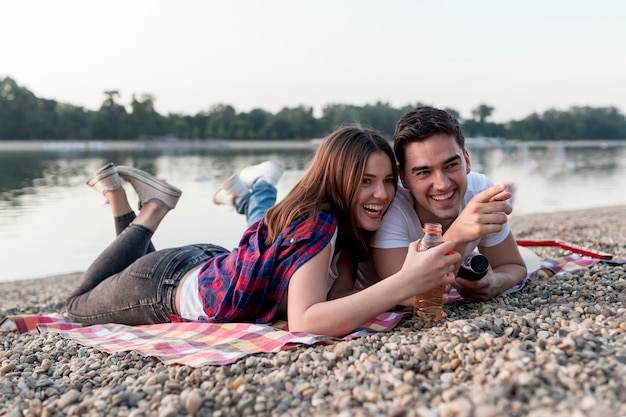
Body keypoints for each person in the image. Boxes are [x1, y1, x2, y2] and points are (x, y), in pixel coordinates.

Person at [65, 125, 461, 338]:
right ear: (337, 179)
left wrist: (411, 290)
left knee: (123, 272)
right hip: (165, 287)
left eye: (388, 180)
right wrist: (403, 282)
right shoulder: (317, 222)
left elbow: (338, 300)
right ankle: (152, 210)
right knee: (77, 306)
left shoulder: (344, 226)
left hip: (203, 264)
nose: (381, 194)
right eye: (364, 181)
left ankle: (119, 197)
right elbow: (306, 321)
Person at [370, 107, 527, 302]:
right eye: (423, 172)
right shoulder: (392, 208)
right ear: (403, 178)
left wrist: (495, 282)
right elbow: (412, 297)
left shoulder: (480, 193)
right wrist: (457, 236)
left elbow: (514, 267)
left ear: (467, 160)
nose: (442, 184)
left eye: (451, 165)